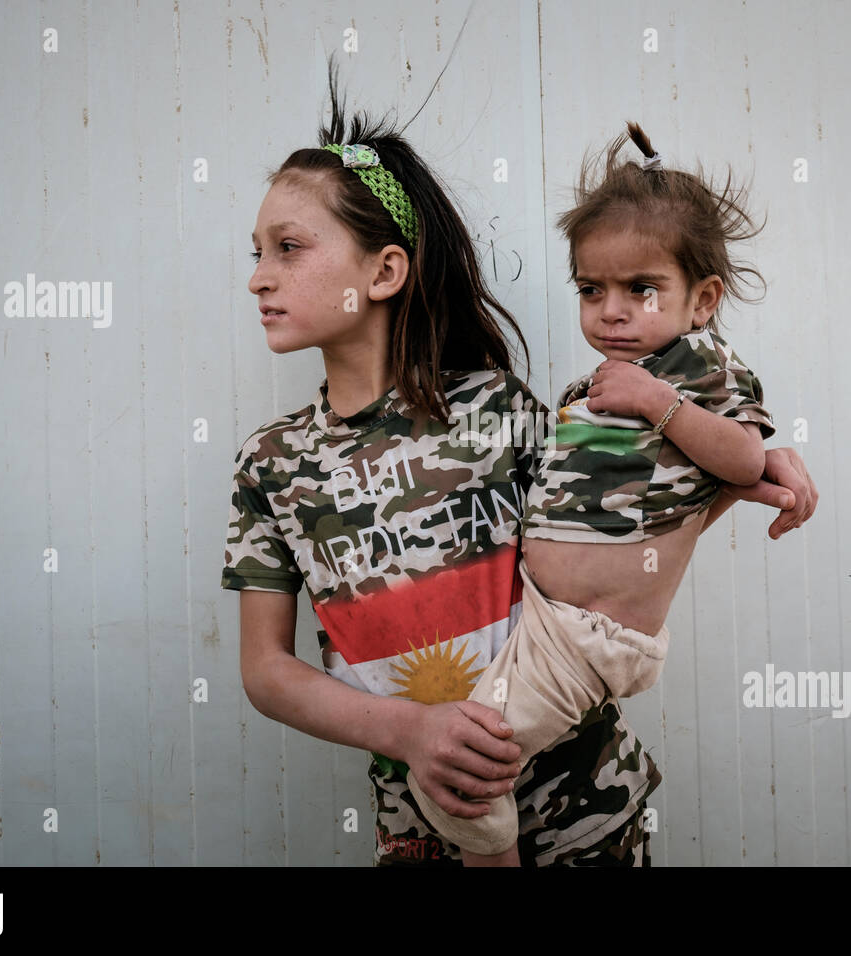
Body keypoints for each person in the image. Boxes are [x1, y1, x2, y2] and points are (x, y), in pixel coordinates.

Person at [221, 71, 818, 866]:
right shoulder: (271, 465)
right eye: (257, 254)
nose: (259, 275)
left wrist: (743, 472)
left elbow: (612, 527)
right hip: (426, 832)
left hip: (586, 815)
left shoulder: (493, 408)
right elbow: (266, 671)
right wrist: (412, 732)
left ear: (384, 272)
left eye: (288, 249)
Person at [404, 121, 789, 866]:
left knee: (464, 772)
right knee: (469, 740)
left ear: (702, 299)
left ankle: (496, 850)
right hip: (546, 616)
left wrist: (657, 402)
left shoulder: (700, 370)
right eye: (591, 289)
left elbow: (744, 457)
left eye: (642, 289)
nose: (611, 310)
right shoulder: (600, 383)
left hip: (590, 636)